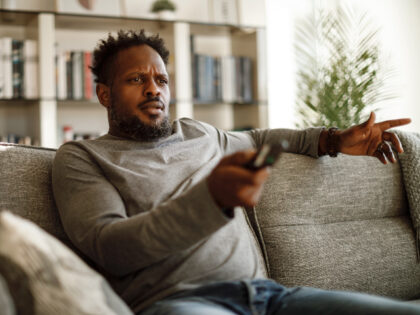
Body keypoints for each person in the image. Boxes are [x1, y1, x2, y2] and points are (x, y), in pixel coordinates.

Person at [52, 29, 418, 315]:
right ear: (104, 94)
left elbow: (263, 139)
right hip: (179, 304)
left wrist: (334, 140)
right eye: (136, 80)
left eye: (161, 80)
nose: (153, 90)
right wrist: (211, 200)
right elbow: (110, 246)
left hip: (272, 298)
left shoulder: (199, 133)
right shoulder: (82, 157)